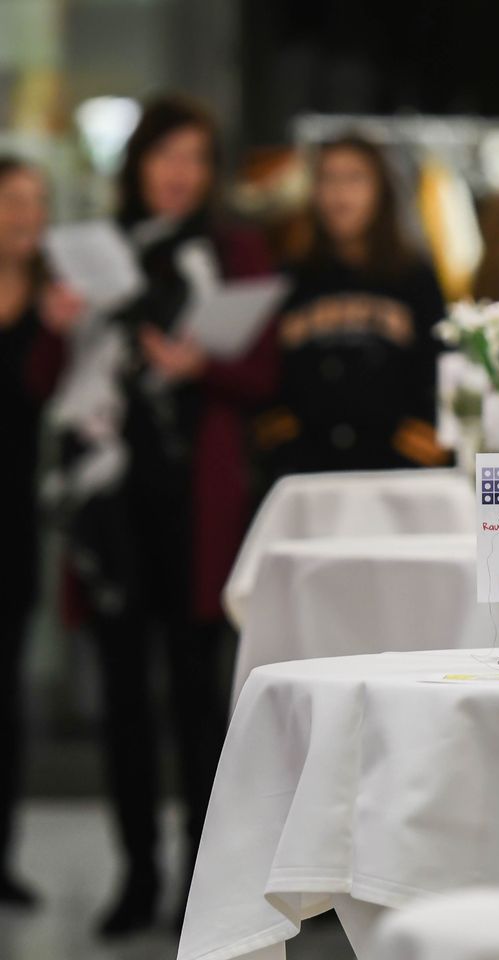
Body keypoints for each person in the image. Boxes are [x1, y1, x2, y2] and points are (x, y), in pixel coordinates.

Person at [62, 95, 275, 936]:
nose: (180, 173)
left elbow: (263, 376)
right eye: (166, 156)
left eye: (196, 157)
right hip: (112, 503)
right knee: (121, 696)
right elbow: (49, 377)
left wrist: (203, 367)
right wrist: (60, 327)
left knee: (197, 695)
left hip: (198, 501)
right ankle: (136, 875)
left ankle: (200, 876)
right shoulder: (95, 251)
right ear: (139, 163)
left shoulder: (235, 249)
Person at [257, 135, 447, 476]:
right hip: (304, 469)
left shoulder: (414, 277)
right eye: (328, 178)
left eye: (355, 178)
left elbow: (438, 367)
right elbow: (269, 372)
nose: (340, 193)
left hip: (394, 468)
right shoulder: (290, 278)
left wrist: (419, 443)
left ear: (381, 190)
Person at [0, 156, 81, 909]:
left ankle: (1, 857)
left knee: (6, 691)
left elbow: (48, 397)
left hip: (13, 514)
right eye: (12, 201)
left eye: (36, 202)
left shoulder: (55, 302)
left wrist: (56, 333)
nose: (27, 216)